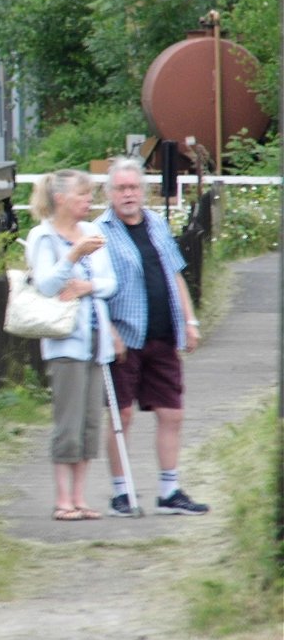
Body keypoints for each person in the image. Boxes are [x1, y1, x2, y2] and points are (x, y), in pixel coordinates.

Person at [96, 157, 209, 515]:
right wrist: (108, 331)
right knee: (122, 415)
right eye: (121, 188)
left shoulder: (157, 224)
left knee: (172, 413)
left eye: (133, 187)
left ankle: (169, 490)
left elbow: (175, 274)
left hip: (162, 335)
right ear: (109, 192)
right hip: (125, 340)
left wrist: (190, 322)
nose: (128, 194)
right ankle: (120, 492)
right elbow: (95, 292)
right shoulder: (98, 232)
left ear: (143, 191)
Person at [26, 170, 117, 521]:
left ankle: (80, 498)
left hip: (97, 337)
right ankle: (63, 500)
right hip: (65, 340)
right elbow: (46, 286)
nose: (88, 201)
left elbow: (111, 282)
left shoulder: (94, 232)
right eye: (82, 195)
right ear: (61, 199)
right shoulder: (42, 237)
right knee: (68, 421)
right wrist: (73, 256)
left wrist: (88, 287)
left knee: (91, 421)